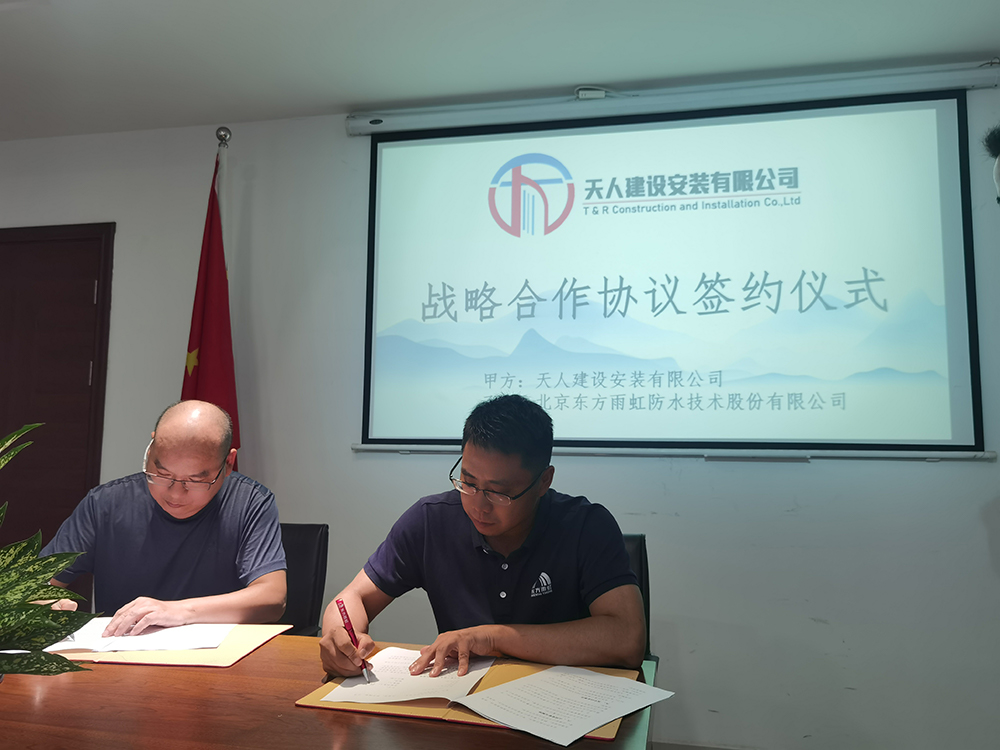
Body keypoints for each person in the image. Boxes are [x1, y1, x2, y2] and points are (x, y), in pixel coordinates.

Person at [319, 394, 645, 679]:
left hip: (564, 705)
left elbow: (626, 639)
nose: (478, 505)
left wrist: (493, 638)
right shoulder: (430, 521)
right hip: (460, 704)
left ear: (544, 482)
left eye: (499, 493)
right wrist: (338, 634)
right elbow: (352, 598)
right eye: (468, 482)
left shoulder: (586, 526)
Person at [41, 400, 287, 636]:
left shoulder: (250, 502)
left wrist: (178, 612)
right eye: (162, 474)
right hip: (121, 655)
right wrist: (44, 603)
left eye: (195, 481)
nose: (175, 494)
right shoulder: (105, 503)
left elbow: (272, 598)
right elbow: (36, 584)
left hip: (218, 656)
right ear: (151, 449)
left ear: (229, 463)